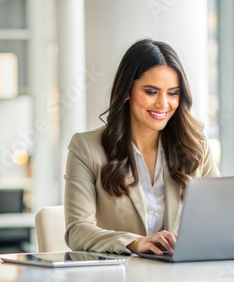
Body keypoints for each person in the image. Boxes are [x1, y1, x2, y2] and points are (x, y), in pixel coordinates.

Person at [64, 38, 220, 255]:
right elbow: (77, 231)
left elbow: (219, 219)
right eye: (151, 92)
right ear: (127, 91)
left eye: (173, 93)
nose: (163, 104)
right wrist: (135, 243)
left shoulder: (196, 146)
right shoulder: (86, 148)